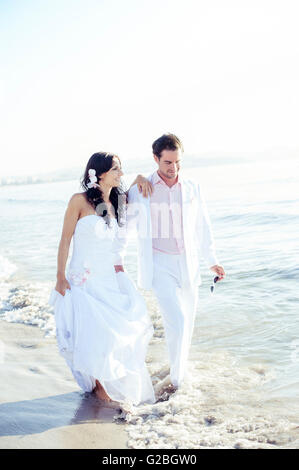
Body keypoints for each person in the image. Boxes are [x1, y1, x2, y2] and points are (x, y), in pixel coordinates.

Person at [49, 152, 155, 406]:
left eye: (121, 169)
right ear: (100, 172)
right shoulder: (79, 201)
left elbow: (128, 193)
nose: (120, 173)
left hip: (108, 277)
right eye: (116, 169)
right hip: (82, 279)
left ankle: (107, 381)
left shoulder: (117, 201)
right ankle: (98, 386)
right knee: (90, 332)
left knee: (114, 332)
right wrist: (60, 276)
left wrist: (140, 178)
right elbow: (65, 240)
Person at [127, 134, 226, 391]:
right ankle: (179, 382)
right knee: (177, 321)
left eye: (177, 162)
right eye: (167, 162)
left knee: (188, 323)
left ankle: (178, 369)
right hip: (159, 262)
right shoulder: (143, 188)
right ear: (155, 159)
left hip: (188, 262)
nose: (173, 168)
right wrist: (133, 182)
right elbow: (119, 216)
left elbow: (203, 225)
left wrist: (211, 260)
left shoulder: (192, 187)